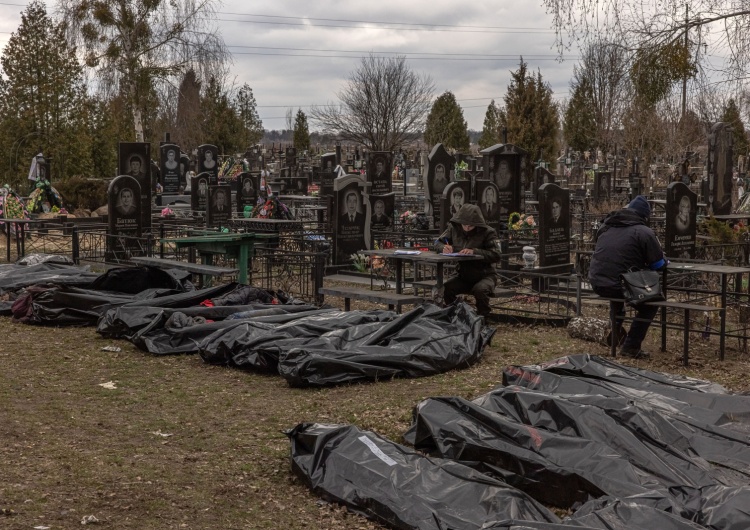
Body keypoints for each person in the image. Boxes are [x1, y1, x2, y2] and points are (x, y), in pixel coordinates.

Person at [589, 196, 667, 359]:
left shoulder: (606, 227)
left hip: (597, 281)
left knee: (616, 290)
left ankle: (616, 330)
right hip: (622, 284)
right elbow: (658, 265)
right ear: (645, 216)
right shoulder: (644, 232)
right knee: (650, 306)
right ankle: (631, 346)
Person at [434, 203, 502, 317]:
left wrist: (474, 251)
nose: (466, 228)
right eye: (464, 225)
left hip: (485, 275)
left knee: (480, 290)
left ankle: (483, 317)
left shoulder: (488, 232)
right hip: (463, 275)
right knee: (446, 289)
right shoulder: (454, 228)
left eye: (470, 226)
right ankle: (457, 315)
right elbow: (438, 242)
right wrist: (443, 247)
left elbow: (496, 254)